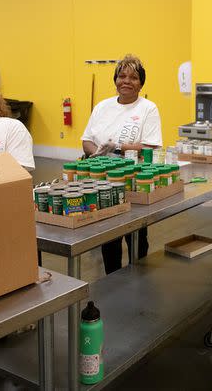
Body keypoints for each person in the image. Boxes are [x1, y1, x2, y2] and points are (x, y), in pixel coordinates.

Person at [81, 54, 162, 274]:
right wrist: (97, 153)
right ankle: (112, 278)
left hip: (133, 180)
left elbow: (150, 148)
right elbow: (86, 140)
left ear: (141, 83)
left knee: (136, 234)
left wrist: (118, 147)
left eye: (133, 77)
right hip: (103, 178)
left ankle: (139, 274)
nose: (126, 81)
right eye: (122, 76)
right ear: (115, 80)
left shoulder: (148, 108)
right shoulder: (102, 107)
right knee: (109, 234)